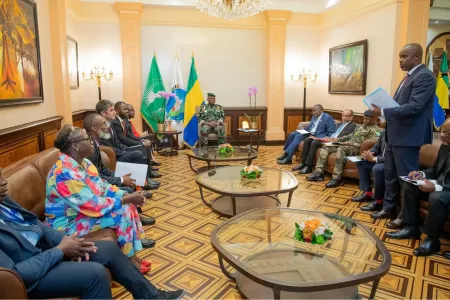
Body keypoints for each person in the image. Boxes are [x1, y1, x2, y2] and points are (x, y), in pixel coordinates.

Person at [0, 171, 184, 299]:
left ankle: (150, 296)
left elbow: (37, 225)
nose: (3, 181)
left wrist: (66, 242)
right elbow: (16, 274)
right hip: (34, 275)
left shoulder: (4, 200)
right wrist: (60, 251)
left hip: (49, 249)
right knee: (96, 274)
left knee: (108, 249)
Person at [45, 125, 155, 268]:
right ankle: (129, 262)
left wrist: (125, 194)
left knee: (127, 204)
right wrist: (124, 199)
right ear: (75, 145)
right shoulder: (64, 173)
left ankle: (132, 257)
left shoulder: (84, 163)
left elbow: (102, 186)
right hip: (67, 225)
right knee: (121, 211)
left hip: (82, 213)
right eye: (87, 139)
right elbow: (92, 205)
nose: (92, 142)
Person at [370, 43, 437, 220]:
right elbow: (398, 107)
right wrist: (384, 119)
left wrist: (383, 112)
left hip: (408, 137)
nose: (400, 60)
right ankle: (389, 208)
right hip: (395, 135)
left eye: (404, 56)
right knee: (390, 176)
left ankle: (407, 221)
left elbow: (415, 107)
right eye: (400, 56)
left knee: (406, 181)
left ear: (417, 57)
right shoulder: (408, 77)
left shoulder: (425, 77)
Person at [385, 119, 450, 256]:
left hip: (446, 191)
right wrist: (420, 174)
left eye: (446, 133)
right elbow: (435, 170)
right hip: (440, 186)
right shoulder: (445, 147)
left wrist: (435, 187)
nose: (442, 136)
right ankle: (411, 227)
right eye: (442, 131)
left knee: (436, 197)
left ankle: (432, 240)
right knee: (410, 184)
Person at [83, 113, 156, 226]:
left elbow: (103, 170)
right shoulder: (89, 149)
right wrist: (121, 180)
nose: (108, 126)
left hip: (102, 180)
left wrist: (121, 177)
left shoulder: (94, 143)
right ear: (94, 128)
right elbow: (97, 177)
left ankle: (140, 190)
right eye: (104, 123)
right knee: (128, 189)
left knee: (132, 175)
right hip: (96, 187)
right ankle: (136, 219)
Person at [96, 100, 160, 189]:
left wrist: (126, 149)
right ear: (103, 113)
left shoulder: (109, 124)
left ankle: (143, 181)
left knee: (139, 150)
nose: (114, 112)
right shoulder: (101, 128)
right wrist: (125, 151)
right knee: (138, 153)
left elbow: (118, 143)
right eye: (111, 110)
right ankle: (141, 183)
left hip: (118, 152)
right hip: (115, 157)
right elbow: (109, 148)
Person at [307, 110, 380, 188]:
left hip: (356, 148)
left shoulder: (375, 131)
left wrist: (348, 143)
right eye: (364, 118)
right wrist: (338, 140)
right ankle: (319, 173)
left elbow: (368, 145)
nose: (364, 120)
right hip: (347, 144)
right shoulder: (361, 126)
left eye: (367, 119)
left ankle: (336, 178)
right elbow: (350, 135)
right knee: (326, 146)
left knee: (341, 149)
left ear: (374, 119)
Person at [292, 109, 356, 174]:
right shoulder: (340, 124)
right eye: (343, 115)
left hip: (335, 143)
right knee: (308, 140)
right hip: (329, 139)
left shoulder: (353, 126)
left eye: (346, 116)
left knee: (315, 142)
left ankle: (309, 166)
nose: (344, 118)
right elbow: (333, 133)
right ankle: (303, 163)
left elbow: (346, 137)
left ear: (351, 117)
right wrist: (328, 136)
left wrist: (335, 139)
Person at [112, 101, 161, 178]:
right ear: (118, 110)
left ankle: (148, 172)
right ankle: (146, 177)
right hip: (123, 147)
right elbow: (123, 139)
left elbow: (129, 135)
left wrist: (141, 141)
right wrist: (141, 143)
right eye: (125, 109)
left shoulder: (122, 121)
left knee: (146, 143)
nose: (127, 111)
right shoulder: (115, 122)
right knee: (143, 148)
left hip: (124, 145)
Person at [352, 127, 386, 212]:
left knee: (377, 169)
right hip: (379, 158)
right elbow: (376, 146)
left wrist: (374, 159)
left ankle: (378, 201)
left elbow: (393, 157)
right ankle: (367, 193)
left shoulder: (399, 134)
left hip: (389, 162)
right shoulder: (385, 131)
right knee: (361, 162)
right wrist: (369, 153)